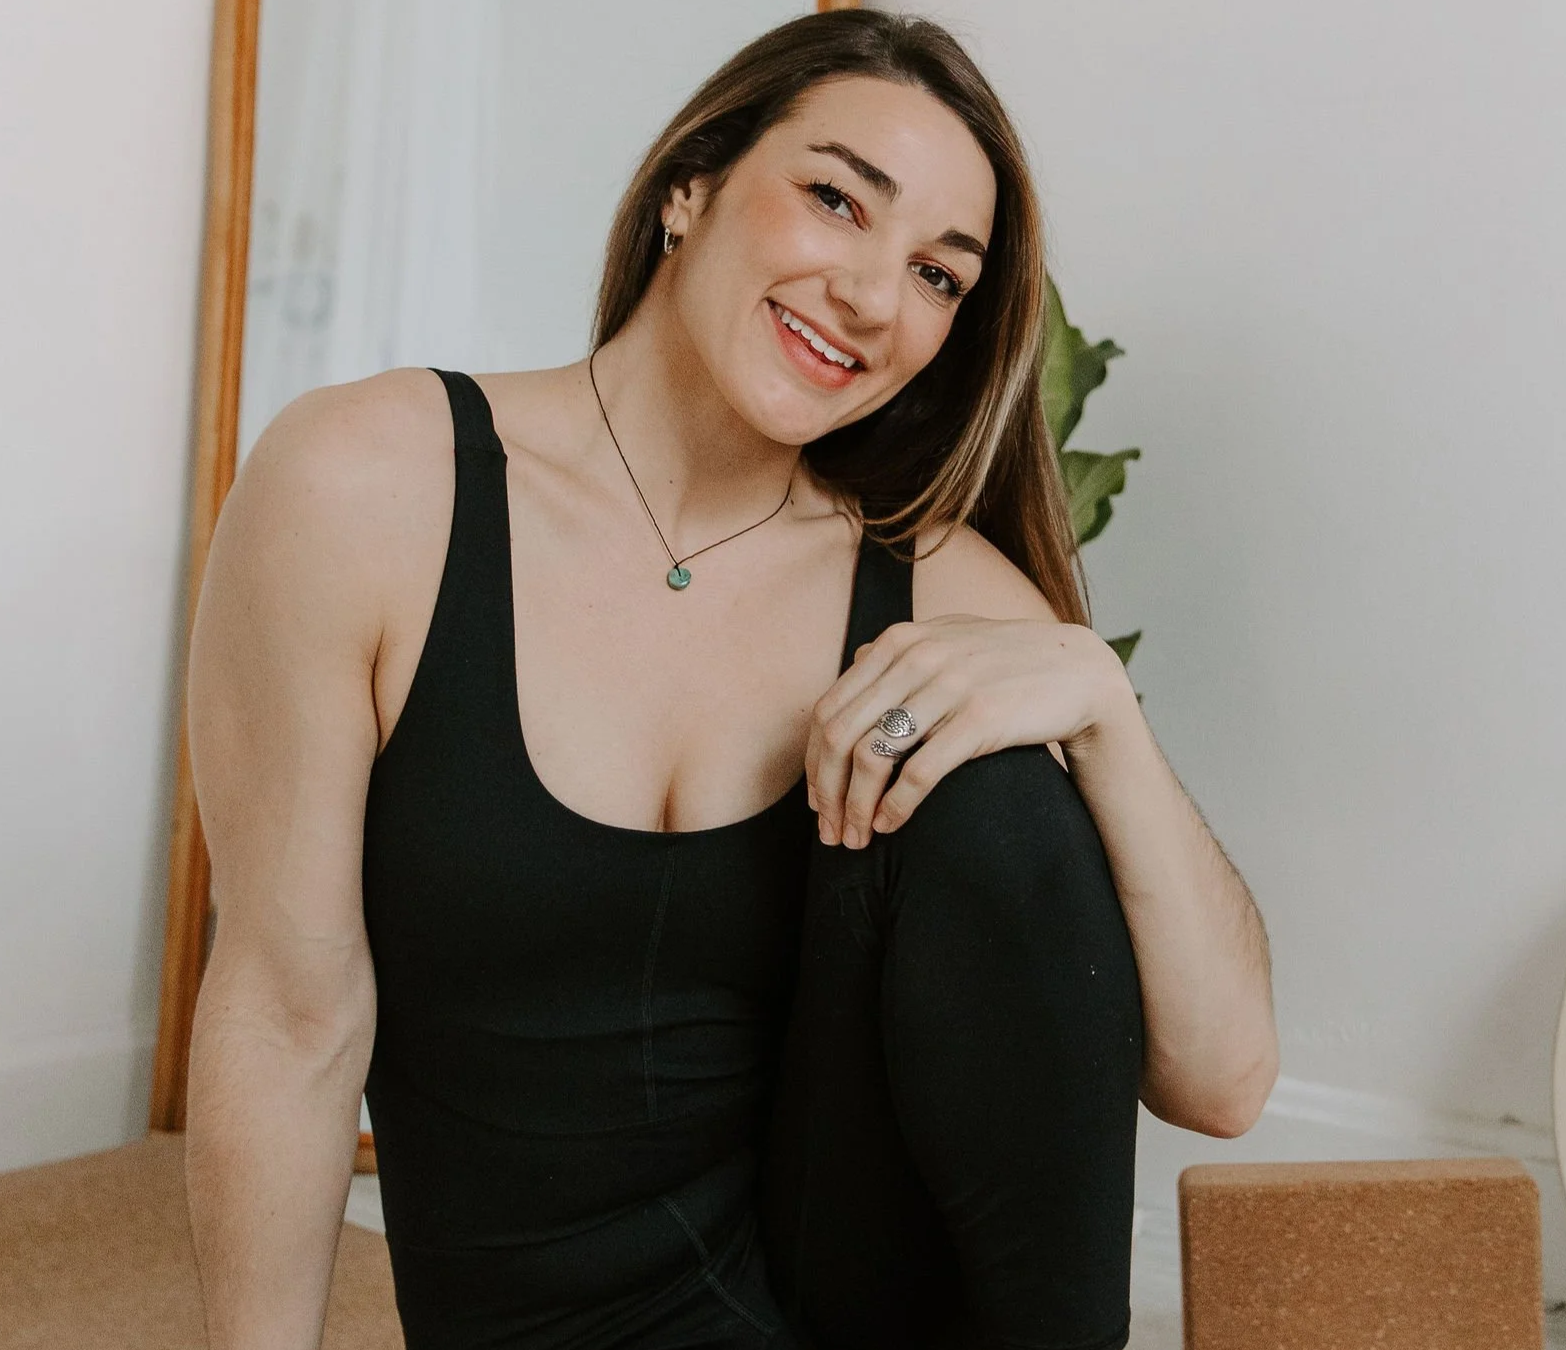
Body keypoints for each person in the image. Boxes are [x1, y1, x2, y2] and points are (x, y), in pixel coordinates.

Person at [182, 12, 1275, 1349]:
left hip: (850, 1310)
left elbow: (1222, 1075)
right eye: (835, 200)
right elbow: (288, 1013)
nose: (875, 298)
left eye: (940, 276)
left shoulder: (933, 585)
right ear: (690, 184)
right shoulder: (369, 489)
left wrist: (1104, 709)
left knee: (998, 792)